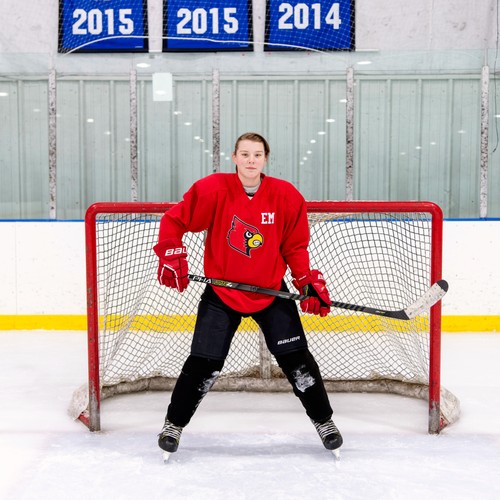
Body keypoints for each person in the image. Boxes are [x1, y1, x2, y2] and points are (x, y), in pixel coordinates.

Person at [153, 132, 342, 458]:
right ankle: (173, 424)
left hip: (270, 290)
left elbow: (294, 246)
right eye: (245, 154)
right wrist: (170, 250)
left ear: (265, 158)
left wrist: (305, 281)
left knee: (297, 361)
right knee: (203, 363)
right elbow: (174, 219)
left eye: (257, 154)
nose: (251, 160)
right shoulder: (213, 190)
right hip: (222, 292)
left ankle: (324, 422)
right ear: (235, 158)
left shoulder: (285, 196)